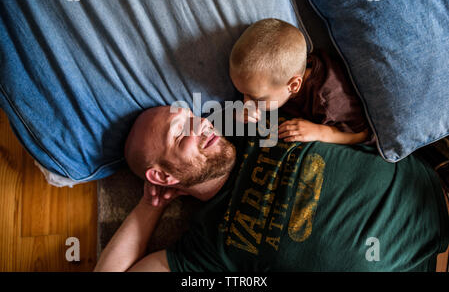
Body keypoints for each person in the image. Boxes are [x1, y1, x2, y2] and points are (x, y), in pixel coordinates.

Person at [95, 106, 449, 272]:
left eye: (191, 116)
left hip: (439, 189)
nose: (201, 124)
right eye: (180, 133)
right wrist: (149, 204)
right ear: (162, 176)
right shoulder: (206, 246)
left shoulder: (252, 122)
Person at [230, 18, 371, 144]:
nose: (246, 102)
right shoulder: (278, 79)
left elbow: (362, 133)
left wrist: (320, 132)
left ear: (293, 85)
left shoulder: (328, 99)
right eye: (243, 93)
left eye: (255, 97)